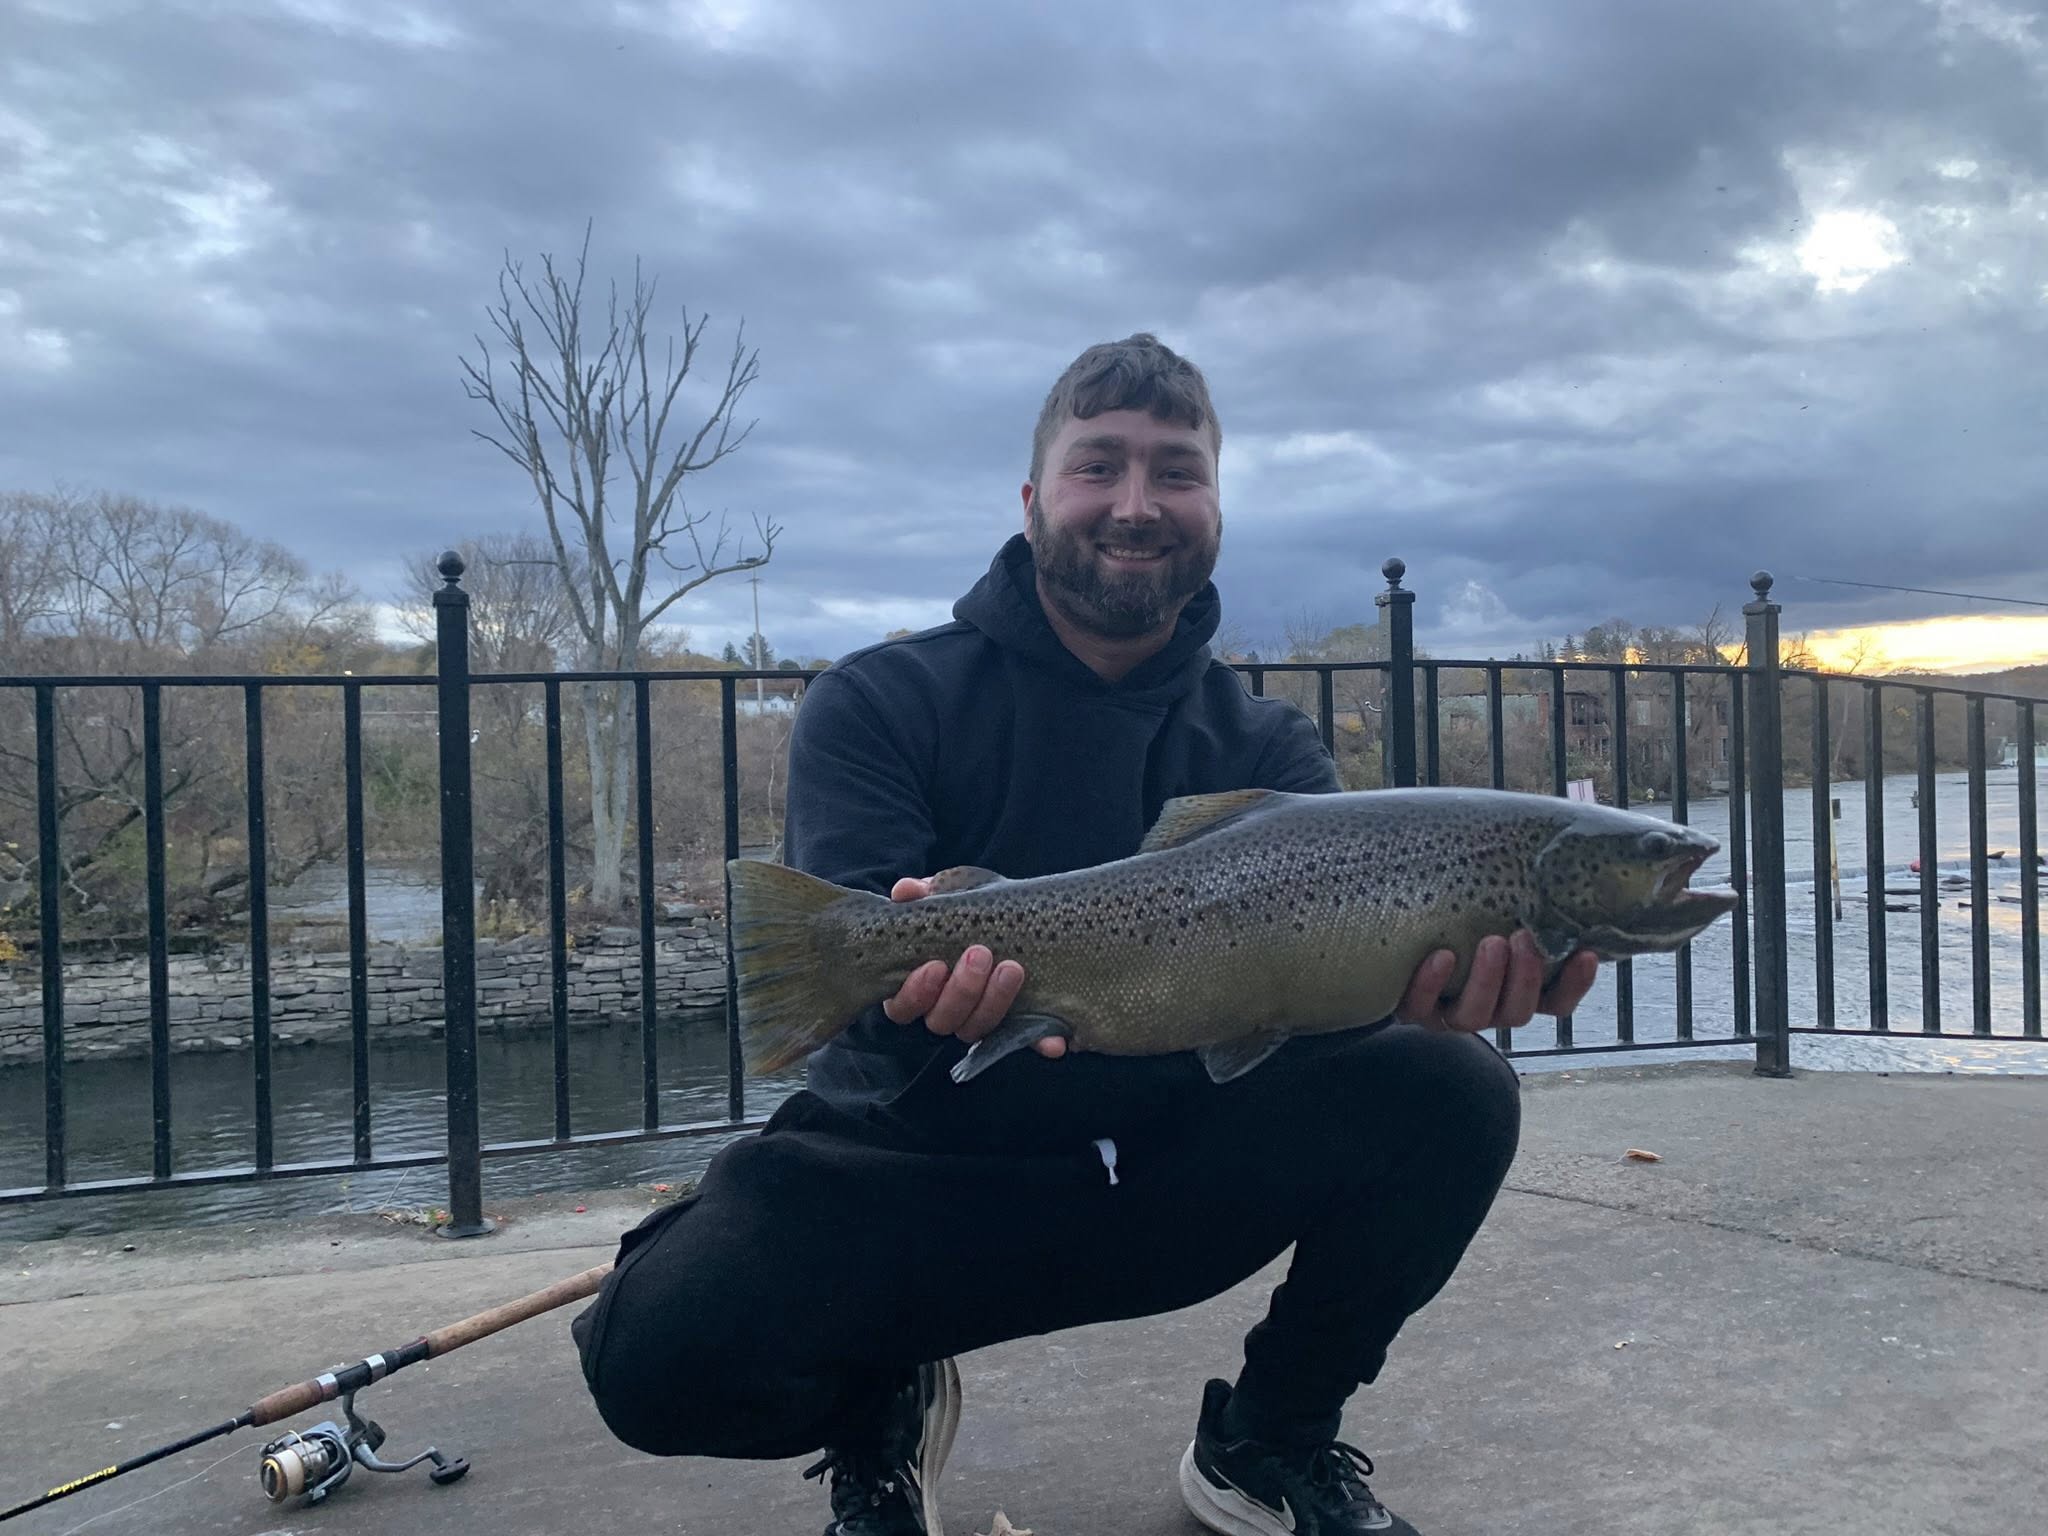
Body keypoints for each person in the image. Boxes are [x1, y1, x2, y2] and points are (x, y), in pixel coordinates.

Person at [571, 334, 1601, 1536]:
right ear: (1030, 500)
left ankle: (1267, 1446)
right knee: (651, 1356)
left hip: (1166, 1171)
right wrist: (919, 997)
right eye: (1096, 466)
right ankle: (878, 1401)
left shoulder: (1269, 753)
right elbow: (840, 995)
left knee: (1455, 1087)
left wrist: (1423, 995)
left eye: (1175, 472)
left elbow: (1316, 1014)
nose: (1135, 504)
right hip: (919, 1175)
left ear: (1212, 504)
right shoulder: (878, 701)